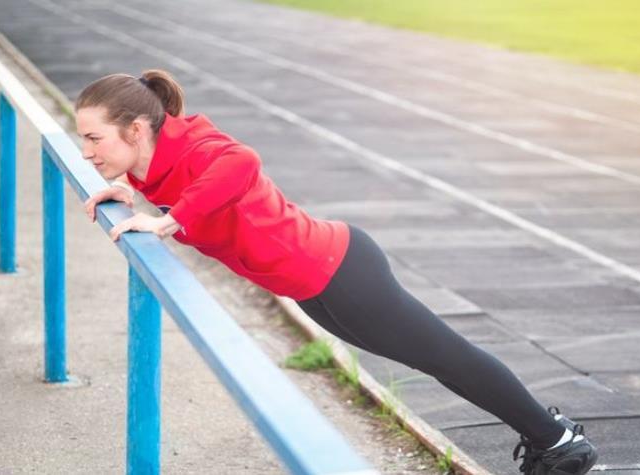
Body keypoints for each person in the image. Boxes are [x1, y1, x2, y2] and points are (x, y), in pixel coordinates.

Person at [79, 69, 598, 475]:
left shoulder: (194, 144)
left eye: (94, 138)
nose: (87, 150)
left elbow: (241, 164)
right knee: (437, 360)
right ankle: (547, 437)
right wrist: (132, 195)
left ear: (137, 129)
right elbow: (197, 193)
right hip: (314, 286)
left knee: (447, 358)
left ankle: (557, 441)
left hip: (342, 272)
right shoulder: (157, 161)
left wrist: (170, 219)